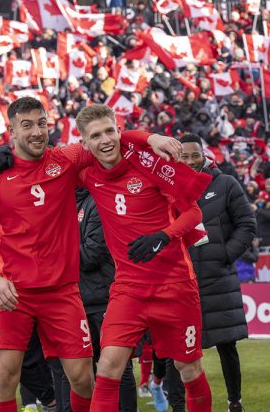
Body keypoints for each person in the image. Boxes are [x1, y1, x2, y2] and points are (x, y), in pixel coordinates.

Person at [0, 97, 179, 412]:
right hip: (13, 292)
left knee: (82, 378)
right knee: (5, 376)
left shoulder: (65, 160)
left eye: (41, 124)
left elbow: (107, 135)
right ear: (10, 131)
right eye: (27, 126)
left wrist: (153, 138)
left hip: (62, 291)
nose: (37, 132)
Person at [72, 105, 213, 412]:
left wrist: (164, 235)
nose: (106, 140)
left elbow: (194, 212)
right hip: (128, 288)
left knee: (188, 368)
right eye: (95, 136)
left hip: (174, 285)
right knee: (108, 365)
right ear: (85, 144)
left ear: (119, 132)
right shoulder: (86, 174)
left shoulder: (149, 163)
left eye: (110, 131)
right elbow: (43, 165)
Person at [174, 132, 256, 412]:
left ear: (204, 155)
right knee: (176, 349)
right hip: (181, 279)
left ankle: (235, 401)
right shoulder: (167, 186)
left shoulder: (225, 184)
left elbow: (247, 224)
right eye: (183, 156)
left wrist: (225, 254)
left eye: (194, 154)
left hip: (218, 278)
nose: (190, 161)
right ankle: (176, 403)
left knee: (226, 345)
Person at [49, 188, 138, 412]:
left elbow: (93, 253)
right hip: (68, 301)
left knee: (118, 368)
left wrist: (50, 253)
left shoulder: (97, 201)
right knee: (68, 369)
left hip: (101, 299)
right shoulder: (57, 203)